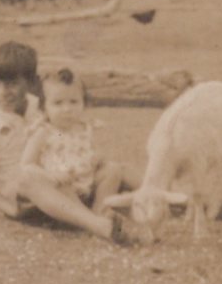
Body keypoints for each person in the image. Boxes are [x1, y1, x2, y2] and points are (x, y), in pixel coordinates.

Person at [0, 41, 140, 244]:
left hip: (61, 177)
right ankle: (97, 224)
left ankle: (160, 196)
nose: (2, 92)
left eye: (12, 84)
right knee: (29, 178)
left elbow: (65, 132)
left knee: (114, 168)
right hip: (26, 190)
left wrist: (86, 158)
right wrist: (11, 209)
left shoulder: (42, 104)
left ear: (31, 83)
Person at [21, 67, 136, 215]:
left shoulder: (84, 128)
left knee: (113, 169)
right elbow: (27, 165)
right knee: (60, 188)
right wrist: (51, 176)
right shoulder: (43, 132)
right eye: (58, 103)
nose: (67, 109)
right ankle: (86, 217)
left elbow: (95, 152)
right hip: (62, 189)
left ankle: (100, 208)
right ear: (44, 108)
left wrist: (98, 158)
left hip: (88, 184)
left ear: (83, 103)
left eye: (74, 102)